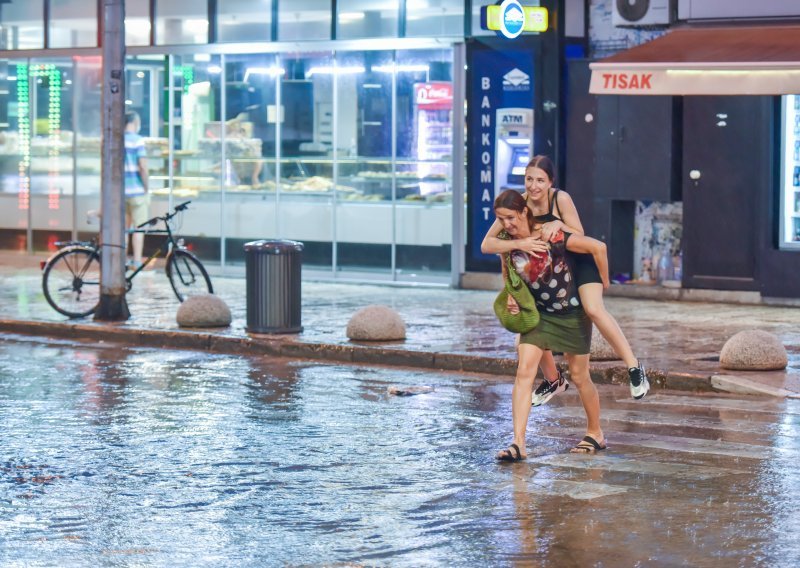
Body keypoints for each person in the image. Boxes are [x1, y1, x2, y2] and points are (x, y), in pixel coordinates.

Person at [482, 155, 649, 402]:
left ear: (550, 182)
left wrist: (558, 223)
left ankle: (634, 368)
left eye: (540, 180)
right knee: (527, 327)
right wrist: (522, 243)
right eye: (529, 179)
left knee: (593, 309)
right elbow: (488, 243)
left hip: (577, 262)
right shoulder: (518, 204)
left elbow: (580, 234)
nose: (533, 186)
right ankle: (554, 380)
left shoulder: (560, 199)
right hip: (549, 271)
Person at [489, 190, 609, 460]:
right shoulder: (506, 241)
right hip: (540, 314)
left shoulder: (547, 232)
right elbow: (506, 267)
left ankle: (596, 432)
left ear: (523, 212)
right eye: (500, 219)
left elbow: (594, 247)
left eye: (510, 217)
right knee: (524, 372)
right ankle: (518, 442)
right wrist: (511, 293)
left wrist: (603, 280)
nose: (506, 224)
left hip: (571, 311)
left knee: (580, 376)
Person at [124, 111, 149, 268]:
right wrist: (146, 187)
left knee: (124, 229)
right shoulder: (138, 141)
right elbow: (143, 167)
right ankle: (137, 261)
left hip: (121, 192)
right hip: (137, 192)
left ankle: (122, 260)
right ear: (134, 122)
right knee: (139, 228)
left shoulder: (118, 140)